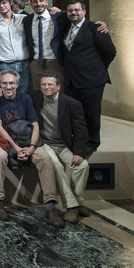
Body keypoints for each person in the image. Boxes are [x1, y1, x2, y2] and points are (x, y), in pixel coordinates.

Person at [0, 71, 63, 227]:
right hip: (3, 137)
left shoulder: (25, 98)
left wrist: (32, 147)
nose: (8, 86)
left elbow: (35, 125)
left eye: (11, 83)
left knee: (45, 158)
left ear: (17, 84)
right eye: (5, 83)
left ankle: (50, 207)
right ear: (0, 84)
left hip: (26, 137)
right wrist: (16, 147)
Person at [31, 74, 91, 223]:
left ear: (58, 87)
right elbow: (14, 94)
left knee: (82, 166)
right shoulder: (34, 98)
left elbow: (81, 131)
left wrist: (79, 153)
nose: (47, 87)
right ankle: (72, 207)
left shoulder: (72, 103)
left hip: (64, 145)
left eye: (50, 84)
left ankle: (76, 202)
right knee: (56, 165)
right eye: (44, 84)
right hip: (45, 143)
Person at [58, 0, 116, 155]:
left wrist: (96, 67)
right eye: (70, 11)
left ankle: (92, 142)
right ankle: (78, 140)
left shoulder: (95, 28)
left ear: (84, 11)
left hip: (92, 79)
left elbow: (110, 51)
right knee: (75, 114)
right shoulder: (66, 28)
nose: (73, 13)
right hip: (72, 79)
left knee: (91, 113)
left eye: (77, 10)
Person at [23, 0, 66, 89]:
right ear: (30, 3)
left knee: (58, 93)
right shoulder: (27, 20)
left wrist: (99, 25)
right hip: (36, 63)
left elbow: (77, 17)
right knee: (38, 94)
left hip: (55, 62)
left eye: (41, 1)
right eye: (35, 1)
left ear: (47, 2)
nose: (39, 4)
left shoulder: (59, 16)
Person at [0, 0, 30, 93]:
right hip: (4, 64)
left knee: (23, 94)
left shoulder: (23, 18)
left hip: (23, 63)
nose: (1, 6)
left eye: (4, 3)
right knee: (6, 94)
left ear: (10, 3)